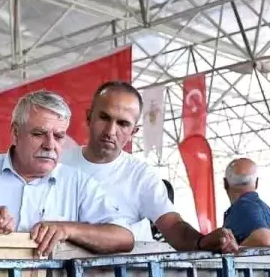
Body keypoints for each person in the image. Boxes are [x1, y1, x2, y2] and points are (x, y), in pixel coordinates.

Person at [0, 89, 134, 256]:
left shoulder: (77, 184)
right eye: (38, 134)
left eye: (59, 136)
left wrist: (68, 229)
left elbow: (124, 237)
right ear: (15, 133)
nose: (50, 145)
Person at [61, 81, 235, 253]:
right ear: (89, 117)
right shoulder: (58, 164)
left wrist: (202, 241)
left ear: (133, 132)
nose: (110, 131)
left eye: (123, 124)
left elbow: (173, 225)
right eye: (104, 117)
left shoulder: (141, 176)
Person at [221, 158, 270, 247]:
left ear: (225, 183)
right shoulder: (267, 210)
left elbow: (265, 239)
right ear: (256, 183)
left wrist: (232, 254)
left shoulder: (242, 208)